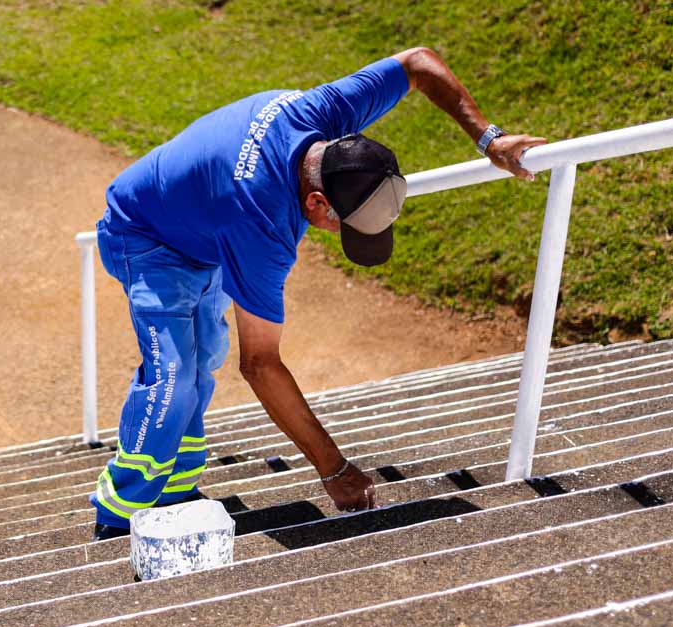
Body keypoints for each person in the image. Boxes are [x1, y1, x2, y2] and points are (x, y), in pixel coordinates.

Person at [90, 47, 544, 540]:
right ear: (317, 201)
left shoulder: (322, 114)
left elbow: (417, 63)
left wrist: (489, 139)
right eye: (343, 227)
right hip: (144, 235)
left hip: (200, 226)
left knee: (203, 358)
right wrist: (333, 468)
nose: (340, 236)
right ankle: (120, 512)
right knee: (173, 375)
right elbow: (260, 364)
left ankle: (175, 491)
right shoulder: (262, 225)